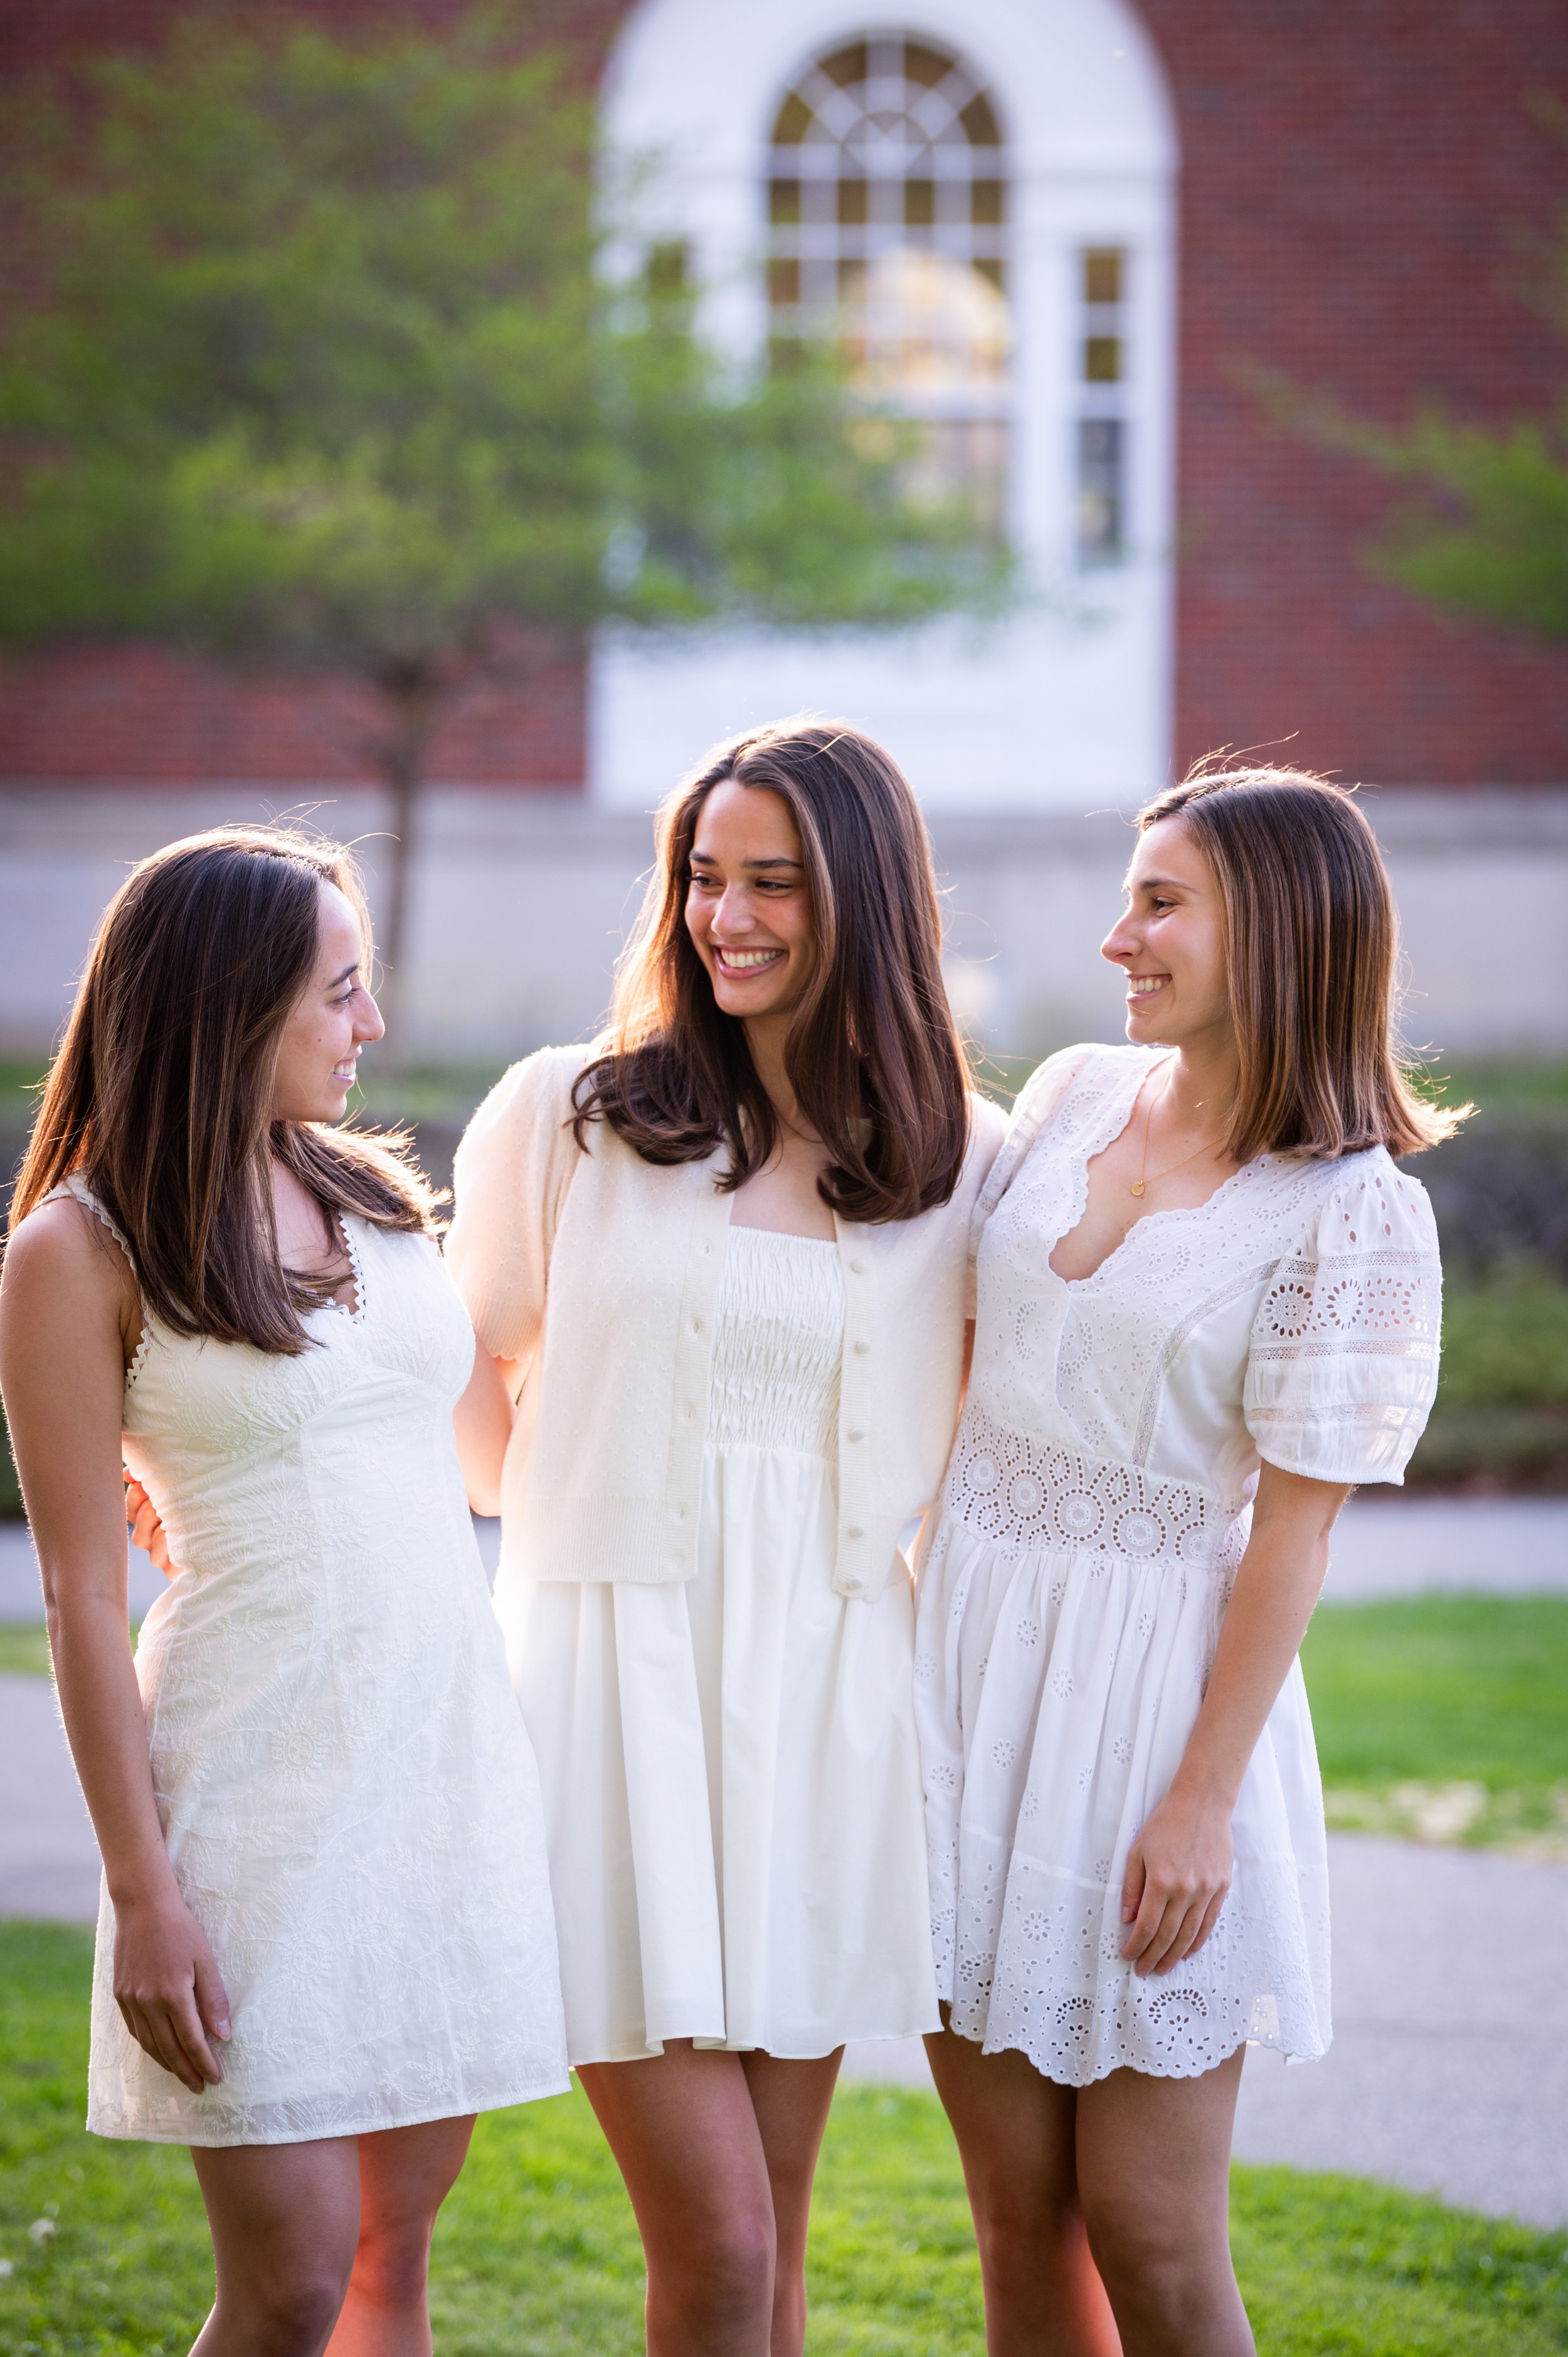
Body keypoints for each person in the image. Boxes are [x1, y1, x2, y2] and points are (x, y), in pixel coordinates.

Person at [444, 720, 1005, 2357]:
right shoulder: (566, 1115)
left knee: (772, 2246)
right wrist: (556, 1516)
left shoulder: (961, 1157)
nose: (727, 914)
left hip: (828, 1705)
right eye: (702, 873)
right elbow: (456, 1383)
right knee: (719, 2236)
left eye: (773, 881)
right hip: (615, 1695)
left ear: (869, 906)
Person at [0, 827, 567, 2357]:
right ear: (226, 1003)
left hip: (439, 1774)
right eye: (340, 992)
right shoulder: (78, 1248)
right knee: (292, 2276)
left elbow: (474, 1448)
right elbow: (74, 1591)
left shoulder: (376, 1197)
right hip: (254, 1795)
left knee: (395, 2257)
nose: (369, 1027)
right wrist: (142, 1893)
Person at [914, 767, 1454, 2356]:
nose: (1114, 938)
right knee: (1015, 2215)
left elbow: (1293, 1529)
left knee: (1150, 2234)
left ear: (1276, 930)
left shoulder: (1348, 1211)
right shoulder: (1075, 1092)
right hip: (969, 1672)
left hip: (1155, 1707)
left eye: (1159, 903)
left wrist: (1200, 1801)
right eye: (1126, 896)